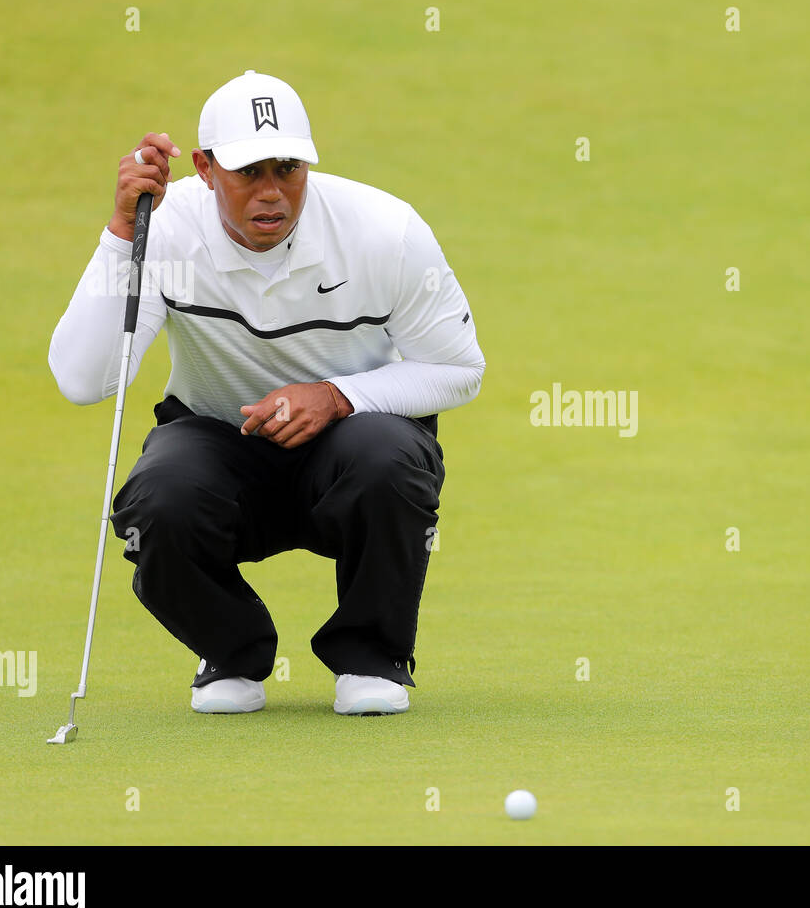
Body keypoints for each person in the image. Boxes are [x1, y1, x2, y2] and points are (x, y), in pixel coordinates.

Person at [48, 71, 485, 716]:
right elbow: (85, 381)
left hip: (351, 453)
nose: (272, 193)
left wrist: (336, 396)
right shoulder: (166, 231)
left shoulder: (384, 231)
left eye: (288, 168)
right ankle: (232, 651)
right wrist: (121, 232)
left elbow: (459, 370)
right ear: (203, 168)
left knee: (390, 452)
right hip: (217, 449)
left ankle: (372, 656)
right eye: (248, 171)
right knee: (159, 498)